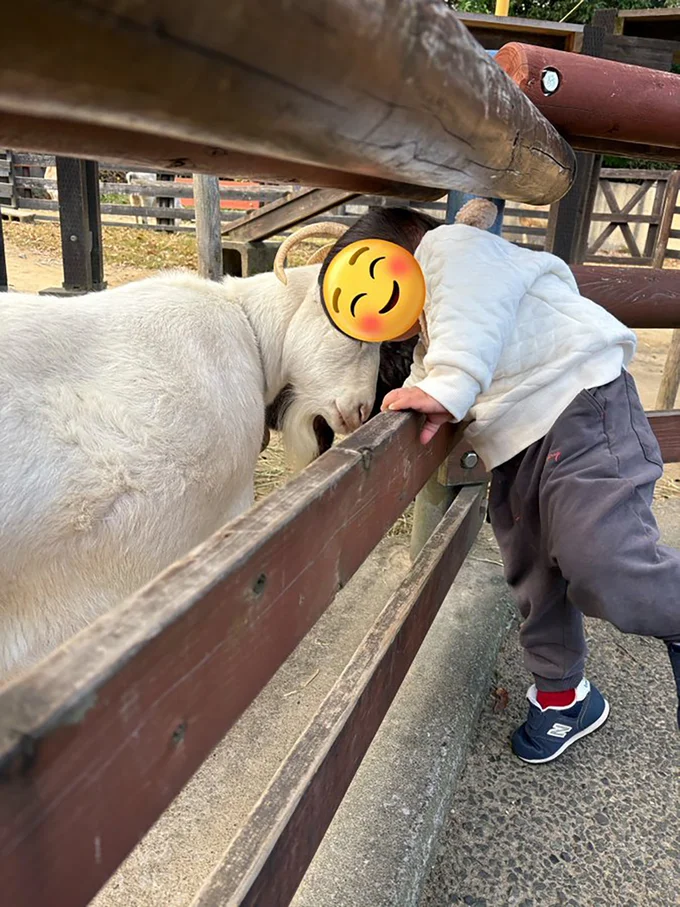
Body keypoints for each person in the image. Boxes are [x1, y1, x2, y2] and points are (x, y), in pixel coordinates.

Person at [330, 202, 680, 764]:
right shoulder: (435, 333)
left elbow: (468, 325)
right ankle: (565, 698)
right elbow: (443, 359)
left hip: (580, 405)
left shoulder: (452, 249)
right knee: (534, 577)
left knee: (604, 564)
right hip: (516, 448)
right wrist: (419, 395)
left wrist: (449, 385)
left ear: (400, 249)